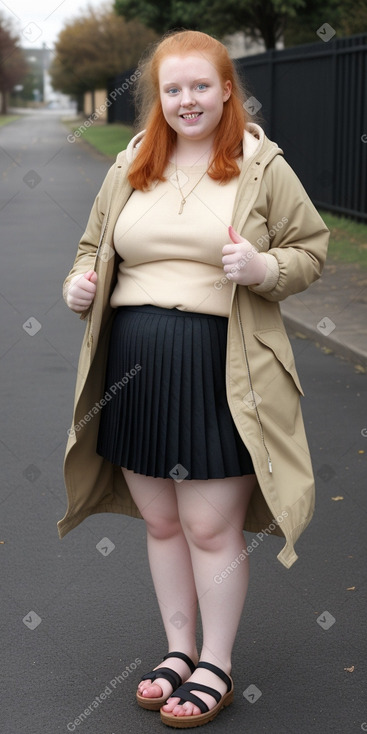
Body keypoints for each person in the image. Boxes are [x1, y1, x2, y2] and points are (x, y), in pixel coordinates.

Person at [59, 29, 329, 728]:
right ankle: (177, 651)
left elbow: (310, 248)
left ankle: (216, 662)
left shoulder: (260, 166)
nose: (186, 100)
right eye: (172, 89)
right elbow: (92, 247)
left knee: (211, 527)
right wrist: (77, 286)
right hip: (133, 368)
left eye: (199, 86)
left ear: (225, 90)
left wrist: (265, 270)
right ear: (159, 97)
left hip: (221, 368)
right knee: (159, 520)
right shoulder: (129, 165)